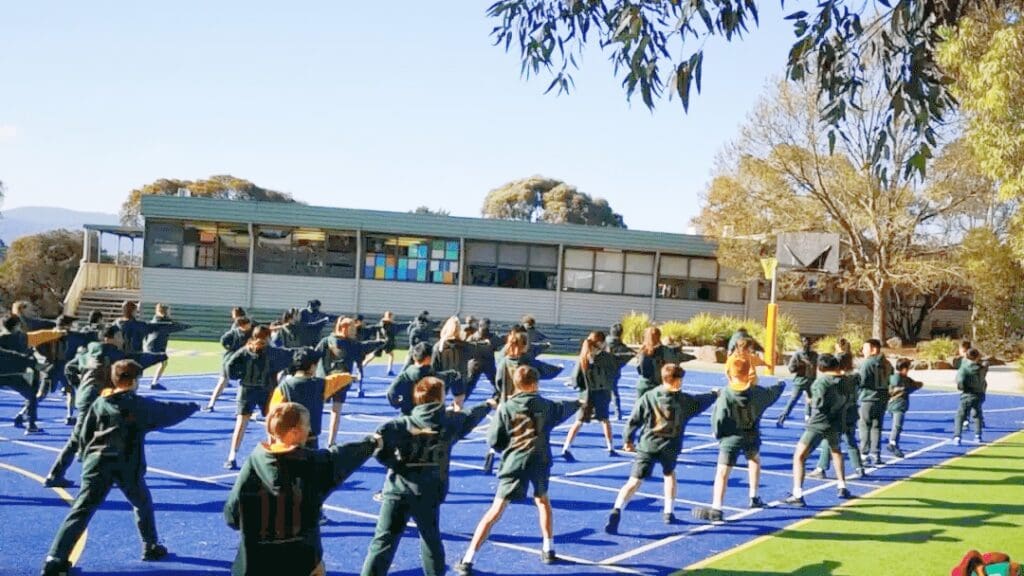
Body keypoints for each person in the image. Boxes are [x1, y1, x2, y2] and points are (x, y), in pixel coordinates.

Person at [39, 360, 199, 576]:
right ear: (134, 381)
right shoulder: (139, 405)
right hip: (127, 465)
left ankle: (55, 558)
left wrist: (87, 458)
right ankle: (150, 546)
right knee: (142, 503)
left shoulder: (100, 402)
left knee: (81, 510)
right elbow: (167, 412)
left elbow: (84, 434)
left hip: (97, 463)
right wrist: (191, 407)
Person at [224, 402, 381, 576]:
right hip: (301, 558)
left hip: (255, 561)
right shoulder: (312, 463)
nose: (310, 430)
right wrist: (372, 442)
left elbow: (232, 515)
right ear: (294, 432)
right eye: (307, 425)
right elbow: (344, 456)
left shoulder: (254, 461)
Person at [361, 378, 496, 576]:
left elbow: (377, 446)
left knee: (383, 542)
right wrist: (488, 405)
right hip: (429, 492)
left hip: (398, 490)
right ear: (440, 397)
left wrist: (395, 464)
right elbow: (470, 416)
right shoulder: (450, 423)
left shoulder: (400, 425)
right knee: (430, 540)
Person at [455, 366, 580, 575]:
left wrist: (505, 448)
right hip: (539, 459)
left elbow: (494, 439)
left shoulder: (506, 407)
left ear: (515, 383)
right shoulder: (546, 405)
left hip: (515, 461)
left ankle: (468, 559)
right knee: (543, 501)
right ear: (536, 382)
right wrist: (578, 402)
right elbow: (562, 408)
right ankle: (548, 548)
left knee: (496, 510)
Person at [605, 363, 717, 532]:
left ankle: (617, 508)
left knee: (634, 481)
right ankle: (668, 512)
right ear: (677, 381)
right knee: (669, 475)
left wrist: (628, 440)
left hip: (648, 445)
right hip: (670, 445)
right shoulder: (684, 400)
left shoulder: (649, 396)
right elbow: (701, 401)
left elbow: (634, 420)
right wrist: (714, 394)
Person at [692, 345, 786, 523]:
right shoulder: (758, 393)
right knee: (754, 460)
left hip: (730, 439)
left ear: (730, 373)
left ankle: (717, 508)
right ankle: (754, 496)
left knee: (722, 473)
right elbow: (773, 393)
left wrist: (718, 434)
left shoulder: (726, 394)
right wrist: (781, 384)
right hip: (751, 435)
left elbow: (718, 418)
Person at [44, 326, 130, 487]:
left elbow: (70, 368)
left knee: (102, 436)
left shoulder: (88, 353)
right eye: (119, 336)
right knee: (84, 438)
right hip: (99, 402)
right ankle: (55, 474)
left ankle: (62, 472)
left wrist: (79, 385)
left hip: (89, 400)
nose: (122, 340)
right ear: (109, 338)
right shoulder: (114, 354)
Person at [785, 353, 853, 507]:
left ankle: (797, 493)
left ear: (821, 367)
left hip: (819, 422)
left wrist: (810, 400)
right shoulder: (846, 381)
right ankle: (842, 485)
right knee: (836, 451)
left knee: (799, 456)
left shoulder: (820, 382)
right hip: (836, 421)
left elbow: (819, 403)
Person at [223, 326, 293, 470]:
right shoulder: (272, 352)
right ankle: (274, 455)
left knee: (241, 423)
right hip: (267, 390)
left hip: (247, 389)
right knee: (272, 424)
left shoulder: (245, 350)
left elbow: (229, 366)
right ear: (267, 337)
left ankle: (232, 456)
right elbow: (290, 355)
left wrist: (239, 376)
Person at [315, 317, 385, 444]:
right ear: (344, 328)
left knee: (319, 410)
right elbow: (365, 347)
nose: (355, 331)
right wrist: (380, 342)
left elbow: (314, 355)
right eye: (352, 328)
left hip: (324, 380)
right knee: (335, 412)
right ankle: (331, 441)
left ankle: (318, 438)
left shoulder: (327, 341)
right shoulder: (350, 344)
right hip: (338, 381)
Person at [808, 339, 865, 478]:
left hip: (838, 415)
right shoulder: (853, 378)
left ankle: (821, 468)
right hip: (851, 412)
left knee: (829, 440)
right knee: (850, 440)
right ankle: (859, 467)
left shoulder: (837, 380)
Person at [561, 331, 619, 461]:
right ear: (601, 343)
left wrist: (581, 387)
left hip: (586, 393)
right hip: (602, 392)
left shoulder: (583, 356)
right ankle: (611, 447)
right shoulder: (606, 357)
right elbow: (613, 371)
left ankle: (566, 447)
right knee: (605, 419)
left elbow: (575, 377)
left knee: (578, 421)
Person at [387, 342, 464, 415]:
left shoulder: (404, 377)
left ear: (414, 357)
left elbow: (391, 393)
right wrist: (458, 399)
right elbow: (456, 376)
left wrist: (402, 404)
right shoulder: (434, 376)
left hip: (409, 415)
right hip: (430, 415)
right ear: (428, 358)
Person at [204, 315, 253, 412]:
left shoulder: (248, 332)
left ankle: (239, 407)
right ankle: (211, 403)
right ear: (244, 325)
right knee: (223, 381)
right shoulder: (237, 333)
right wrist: (230, 348)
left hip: (241, 361)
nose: (250, 325)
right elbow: (223, 340)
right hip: (233, 361)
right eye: (248, 324)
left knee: (241, 384)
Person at [634, 326, 695, 401]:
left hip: (643, 385)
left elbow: (639, 370)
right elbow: (679, 358)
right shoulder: (666, 351)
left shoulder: (642, 352)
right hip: (659, 386)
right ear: (659, 337)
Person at [857, 339, 893, 466]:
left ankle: (863, 454)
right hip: (882, 398)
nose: (862, 351)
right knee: (876, 426)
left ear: (873, 349)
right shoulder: (887, 363)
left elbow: (860, 381)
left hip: (868, 398)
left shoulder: (867, 363)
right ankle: (876, 453)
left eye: (865, 348)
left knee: (864, 426)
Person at [143, 303, 191, 390]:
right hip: (155, 346)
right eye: (168, 311)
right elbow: (176, 327)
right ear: (164, 311)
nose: (170, 312)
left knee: (161, 363)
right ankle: (153, 383)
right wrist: (186, 326)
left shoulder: (158, 320)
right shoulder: (163, 323)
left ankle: (154, 383)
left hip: (151, 346)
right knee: (159, 363)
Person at [885, 358, 923, 458]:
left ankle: (893, 442)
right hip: (898, 405)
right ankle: (893, 443)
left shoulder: (897, 377)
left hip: (894, 404)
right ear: (904, 369)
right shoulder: (900, 379)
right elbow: (912, 386)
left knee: (896, 424)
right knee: (897, 425)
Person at [777, 336, 818, 427]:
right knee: (793, 400)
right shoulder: (798, 355)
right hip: (800, 381)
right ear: (802, 343)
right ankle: (782, 418)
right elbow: (790, 368)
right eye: (804, 342)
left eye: (808, 342)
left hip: (811, 381)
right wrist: (799, 367)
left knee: (811, 401)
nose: (806, 344)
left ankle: (808, 418)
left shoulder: (814, 355)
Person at [954, 347, 987, 445]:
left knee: (960, 415)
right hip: (979, 394)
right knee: (977, 414)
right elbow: (985, 365)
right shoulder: (981, 369)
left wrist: (962, 387)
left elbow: (960, 381)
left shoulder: (964, 368)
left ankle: (957, 436)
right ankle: (978, 435)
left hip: (967, 394)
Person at [606, 323, 637, 420]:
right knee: (614, 392)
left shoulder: (604, 342)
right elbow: (631, 354)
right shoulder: (621, 347)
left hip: (601, 371)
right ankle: (618, 412)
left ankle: (596, 410)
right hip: (614, 372)